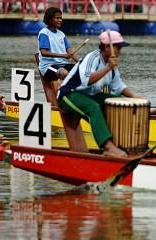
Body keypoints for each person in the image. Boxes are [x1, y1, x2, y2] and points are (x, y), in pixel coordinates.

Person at [57, 30, 138, 158]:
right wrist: (108, 68)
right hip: (68, 95)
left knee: (119, 102)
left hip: (89, 96)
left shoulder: (112, 65)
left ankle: (123, 142)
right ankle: (107, 147)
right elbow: (87, 80)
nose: (120, 51)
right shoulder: (92, 58)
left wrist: (136, 98)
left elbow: (119, 86)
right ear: (107, 47)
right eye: (118, 47)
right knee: (93, 107)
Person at [36, 7, 77, 104]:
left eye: (60, 18)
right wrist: (63, 56)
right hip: (48, 67)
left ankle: (76, 99)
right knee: (64, 73)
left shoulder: (61, 34)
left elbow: (69, 50)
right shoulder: (44, 33)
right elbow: (44, 52)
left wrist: (80, 62)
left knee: (80, 71)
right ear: (50, 19)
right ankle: (64, 101)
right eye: (57, 18)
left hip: (62, 64)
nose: (60, 20)